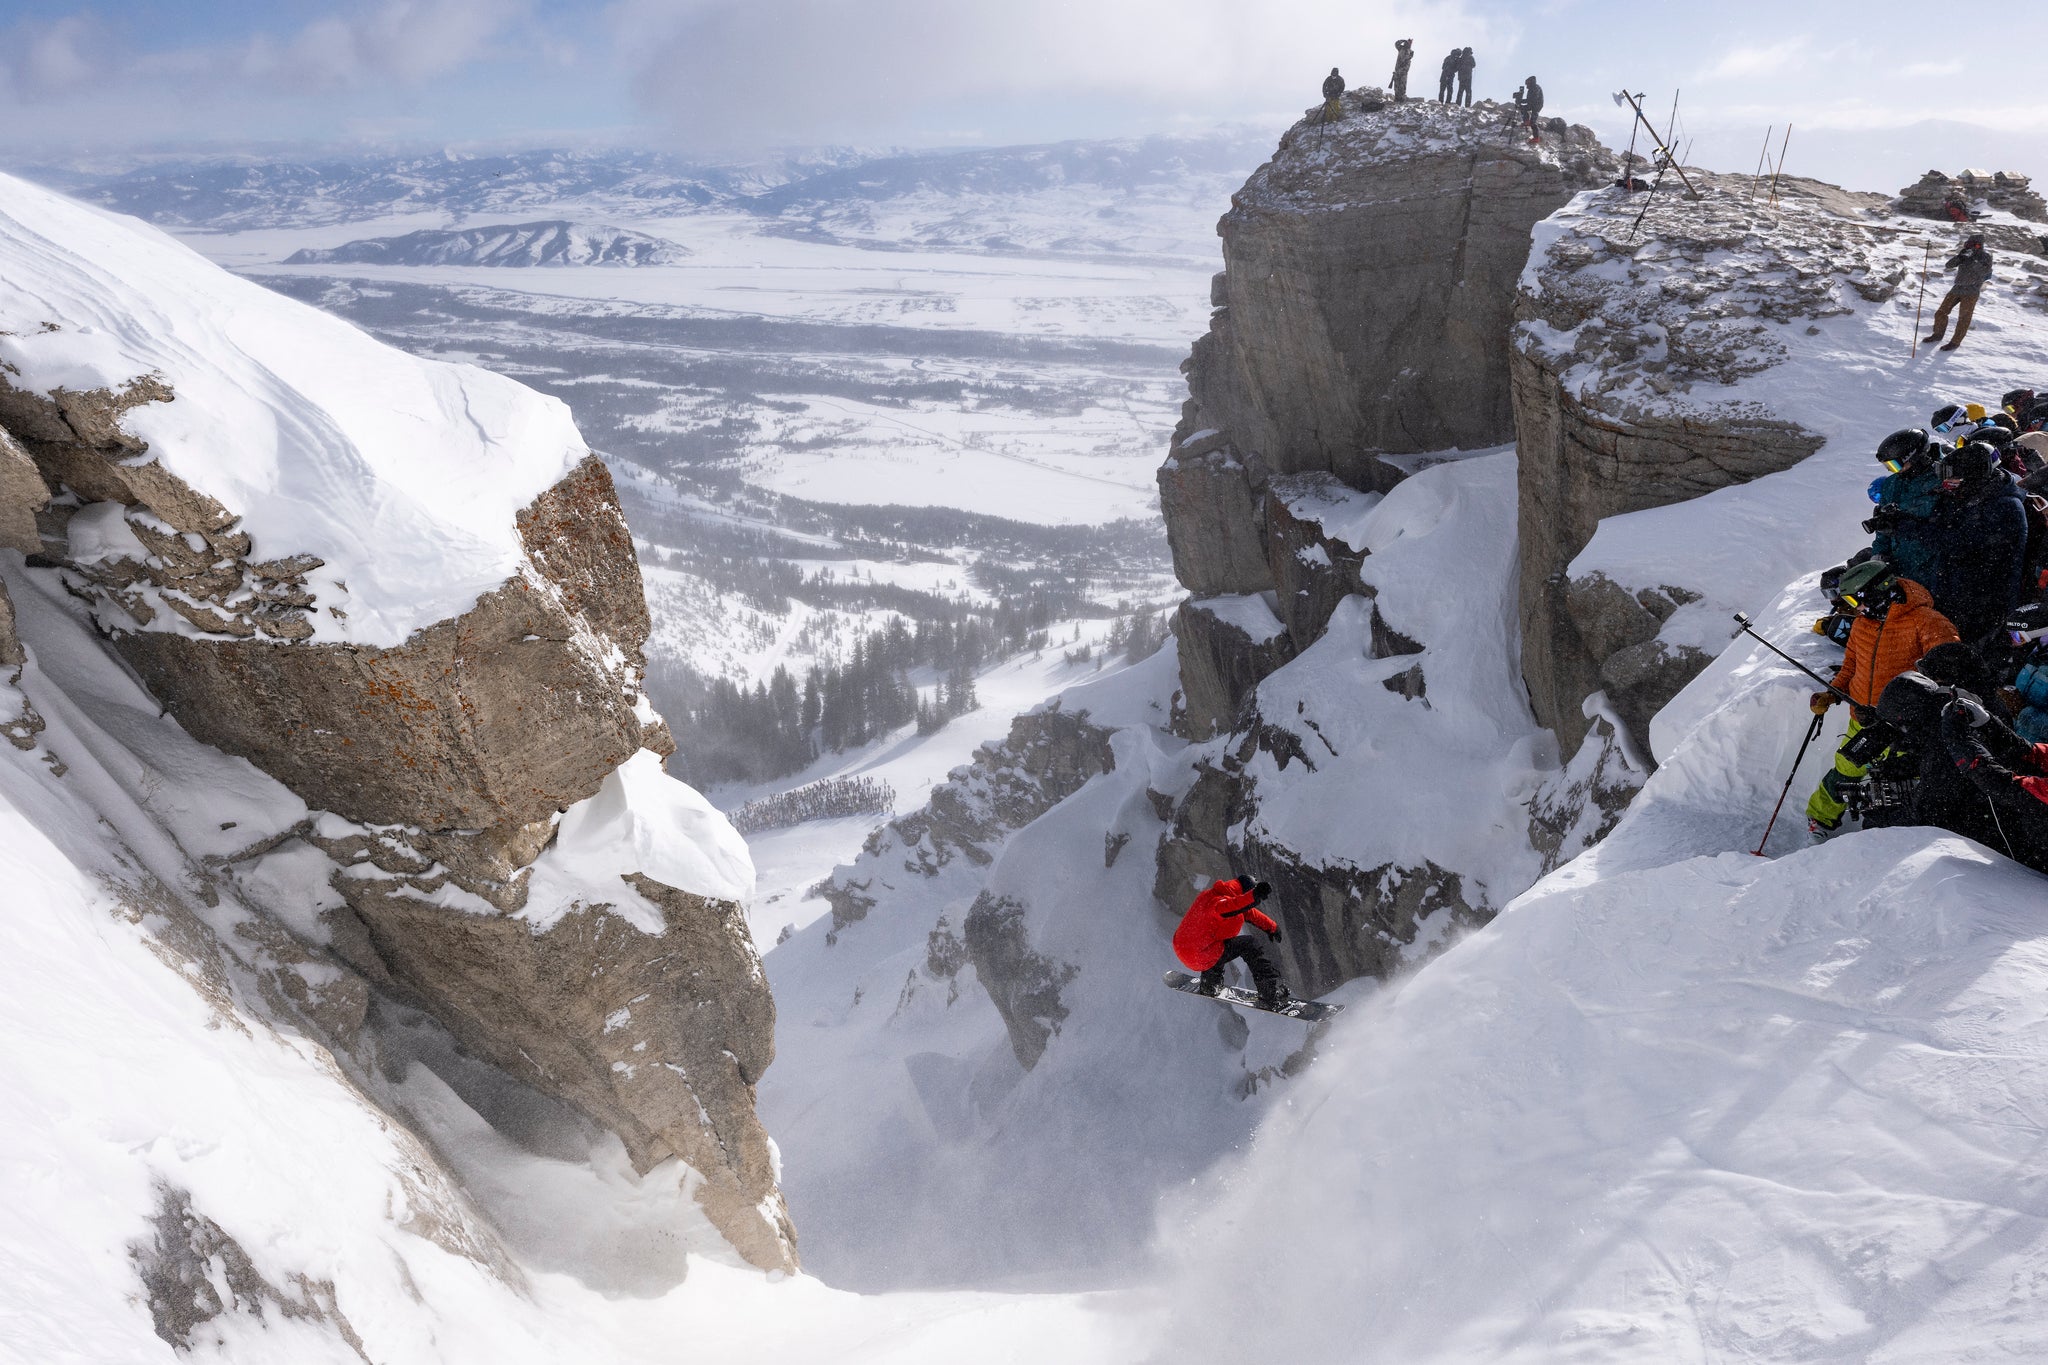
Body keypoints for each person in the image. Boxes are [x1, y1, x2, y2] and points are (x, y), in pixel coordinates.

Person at [1806, 558, 1960, 837]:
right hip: (1862, 716)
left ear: (1878, 592)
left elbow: (1950, 675)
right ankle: (1821, 818)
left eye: (1856, 600)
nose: (1855, 609)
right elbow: (1852, 664)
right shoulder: (1864, 623)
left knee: (1900, 779)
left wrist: (1909, 714)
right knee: (1847, 766)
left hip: (1905, 726)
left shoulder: (1928, 623)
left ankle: (1891, 836)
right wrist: (1832, 694)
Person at [1875, 663, 2048, 873]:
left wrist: (1958, 739)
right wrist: (1989, 725)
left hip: (2032, 860)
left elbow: (2003, 785)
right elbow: (2031, 754)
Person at [1931, 440, 2029, 643]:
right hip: (1959, 595)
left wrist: (1911, 527)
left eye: (1955, 481)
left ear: (1973, 478)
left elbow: (1961, 545)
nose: (1950, 487)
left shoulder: (2004, 506)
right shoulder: (1974, 497)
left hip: (1984, 603)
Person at [1173, 875, 1289, 1008]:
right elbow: (1233, 906)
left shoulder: (1211, 895)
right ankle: (1270, 994)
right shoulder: (1220, 903)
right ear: (1246, 892)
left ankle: (1210, 985)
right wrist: (1254, 895)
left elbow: (1246, 911)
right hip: (1199, 956)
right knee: (1250, 945)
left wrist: (1271, 927)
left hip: (1184, 948)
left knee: (1218, 943)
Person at [1924, 235, 1994, 352]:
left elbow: (1985, 271)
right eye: (1968, 244)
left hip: (1971, 291)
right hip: (1957, 288)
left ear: (1980, 245)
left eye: (1974, 245)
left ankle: (1955, 342)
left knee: (1964, 318)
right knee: (1941, 312)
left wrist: (1973, 260)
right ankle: (1937, 334)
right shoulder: (1964, 253)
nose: (1970, 247)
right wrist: (1960, 257)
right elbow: (1949, 265)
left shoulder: (1985, 256)